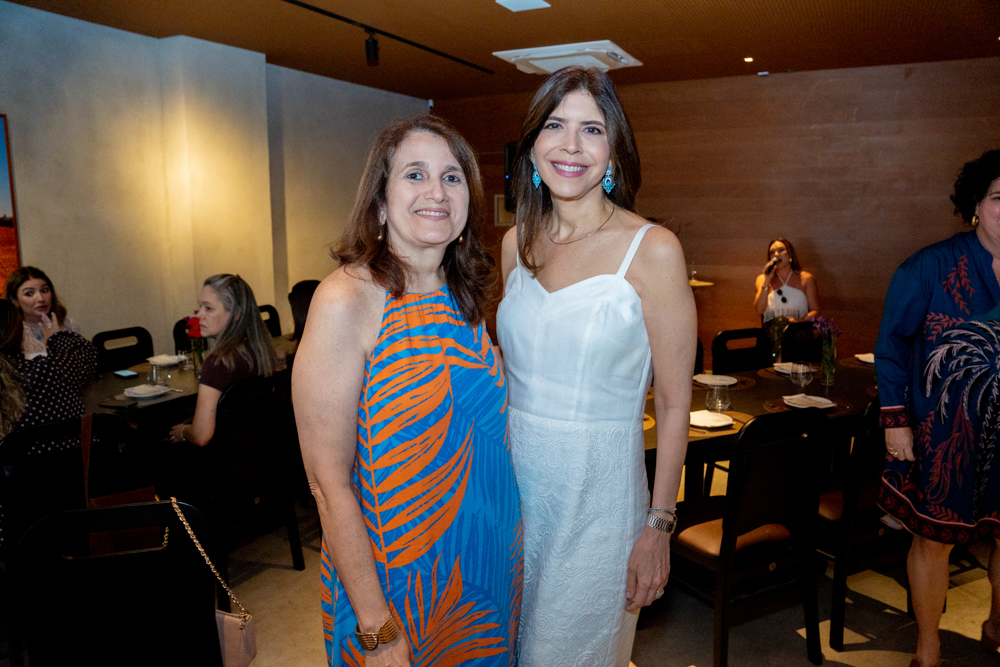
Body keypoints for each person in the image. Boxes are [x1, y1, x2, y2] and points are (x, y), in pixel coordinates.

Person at [293, 115, 522, 666]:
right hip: (397, 588)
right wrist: (377, 627)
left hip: (487, 570)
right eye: (415, 175)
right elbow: (327, 484)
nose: (436, 192)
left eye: (452, 177)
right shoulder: (346, 299)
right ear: (379, 203)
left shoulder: (464, 299)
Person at [496, 66, 696, 666]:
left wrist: (659, 526)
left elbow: (675, 403)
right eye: (555, 126)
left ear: (613, 150)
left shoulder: (653, 249)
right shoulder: (513, 243)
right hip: (511, 491)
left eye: (592, 129)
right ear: (533, 145)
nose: (571, 145)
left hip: (598, 500)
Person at [875, 148, 1000, 667]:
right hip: (943, 434)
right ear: (976, 205)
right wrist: (896, 422)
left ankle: (997, 625)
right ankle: (928, 647)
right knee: (933, 542)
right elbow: (891, 345)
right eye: (999, 198)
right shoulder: (929, 266)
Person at [168, 274, 277, 447]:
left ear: (236, 314)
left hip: (223, 457)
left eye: (208, 308)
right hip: (260, 450)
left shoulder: (218, 364)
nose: (199, 315)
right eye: (200, 307)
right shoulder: (261, 351)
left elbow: (201, 436)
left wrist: (183, 431)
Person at [5, 266, 82, 359]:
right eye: (29, 293)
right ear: (14, 299)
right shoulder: (8, 332)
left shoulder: (68, 325)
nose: (41, 298)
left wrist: (56, 341)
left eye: (44, 290)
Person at [753, 237, 819, 327]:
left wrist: (798, 322)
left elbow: (816, 311)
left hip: (799, 331)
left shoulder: (806, 278)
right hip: (772, 333)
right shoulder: (762, 279)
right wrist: (767, 280)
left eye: (781, 250)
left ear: (790, 254)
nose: (776, 254)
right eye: (772, 252)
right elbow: (759, 309)